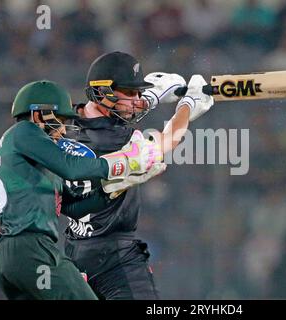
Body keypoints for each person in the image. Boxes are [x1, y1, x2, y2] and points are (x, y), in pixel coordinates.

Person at [0, 80, 165, 299]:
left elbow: (74, 207)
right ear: (38, 115)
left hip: (11, 258)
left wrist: (122, 183)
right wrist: (123, 163)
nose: (63, 130)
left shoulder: (34, 159)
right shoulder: (23, 132)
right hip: (31, 250)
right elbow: (72, 168)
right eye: (60, 121)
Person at [62, 51, 214, 299]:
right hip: (114, 257)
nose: (136, 100)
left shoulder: (67, 121)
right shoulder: (117, 139)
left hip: (73, 255)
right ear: (103, 91)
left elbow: (109, 113)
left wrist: (150, 96)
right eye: (130, 93)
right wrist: (187, 108)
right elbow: (163, 145)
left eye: (138, 93)